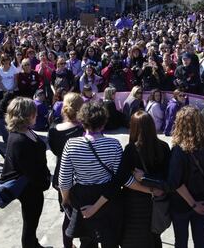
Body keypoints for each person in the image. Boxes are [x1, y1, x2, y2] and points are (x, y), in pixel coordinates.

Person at [59, 101, 142, 248]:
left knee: (87, 241)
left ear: (82, 121)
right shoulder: (113, 144)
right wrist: (150, 189)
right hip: (109, 199)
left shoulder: (71, 144)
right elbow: (121, 179)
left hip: (83, 197)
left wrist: (66, 200)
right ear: (103, 123)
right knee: (110, 241)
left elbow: (64, 181)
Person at [0, 97, 51, 248]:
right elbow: (30, 172)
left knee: (32, 222)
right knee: (30, 223)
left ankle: (34, 243)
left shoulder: (24, 130)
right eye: (34, 113)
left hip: (33, 186)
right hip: (30, 189)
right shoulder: (19, 140)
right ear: (27, 116)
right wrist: (44, 183)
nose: (37, 115)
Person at [168, 106, 204, 248]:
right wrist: (198, 202)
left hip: (182, 204)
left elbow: (175, 183)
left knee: (181, 242)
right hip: (203, 201)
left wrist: (193, 204)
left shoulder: (179, 150)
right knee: (201, 241)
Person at [120, 111, 170, 248]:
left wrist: (144, 178)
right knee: (154, 235)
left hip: (134, 203)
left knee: (134, 238)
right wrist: (154, 188)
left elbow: (123, 178)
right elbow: (169, 178)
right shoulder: (164, 147)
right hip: (157, 202)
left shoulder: (131, 149)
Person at [48, 93, 84, 248]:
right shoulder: (84, 128)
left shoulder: (53, 130)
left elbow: (56, 152)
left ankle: (67, 246)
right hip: (82, 176)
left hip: (62, 176)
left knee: (68, 216)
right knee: (85, 214)